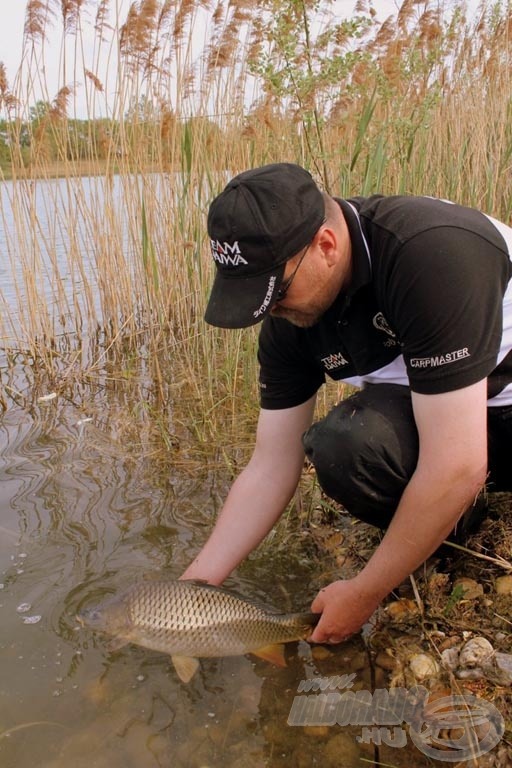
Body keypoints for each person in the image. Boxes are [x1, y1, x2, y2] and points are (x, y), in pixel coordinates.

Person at [181, 162, 512, 644]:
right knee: (344, 443)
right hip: (455, 413)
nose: (270, 310)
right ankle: (454, 531)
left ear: (326, 246)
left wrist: (365, 591)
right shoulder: (289, 320)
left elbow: (457, 463)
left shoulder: (429, 254)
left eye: (275, 292)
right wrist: (195, 588)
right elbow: (271, 465)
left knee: (454, 471)